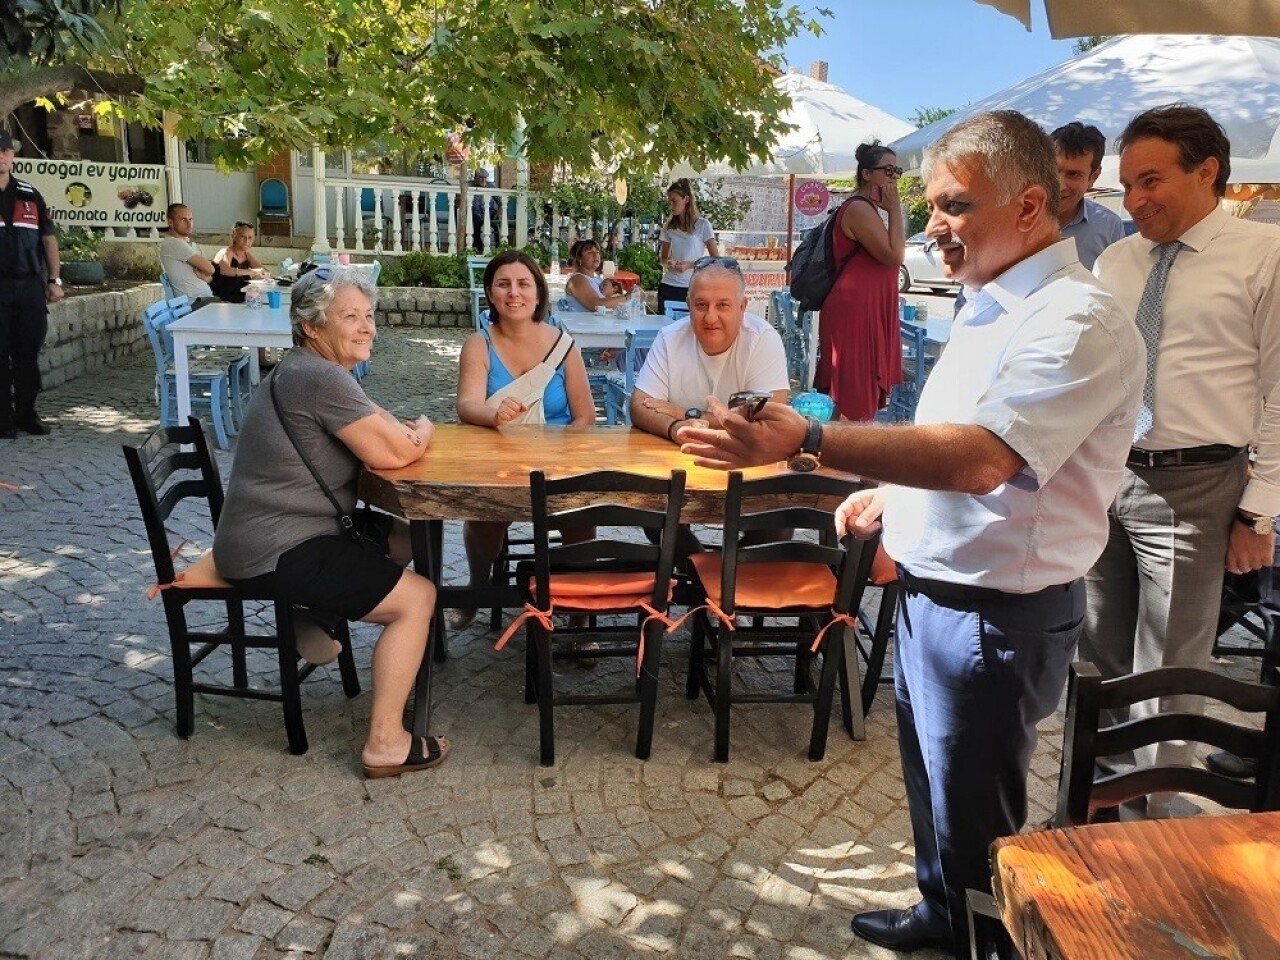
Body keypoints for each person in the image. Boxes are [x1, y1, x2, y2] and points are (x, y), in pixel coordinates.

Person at [678, 111, 1142, 959]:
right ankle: (940, 915)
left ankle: (982, 944)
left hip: (997, 616)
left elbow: (982, 459)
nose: (932, 227)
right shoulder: (988, 304)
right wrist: (892, 490)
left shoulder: (1077, 321)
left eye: (955, 206)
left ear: (1031, 206)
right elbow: (955, 438)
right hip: (937, 597)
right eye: (931, 205)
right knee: (935, 787)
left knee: (981, 814)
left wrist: (811, 439)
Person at [1080, 104, 1280, 819]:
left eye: (1151, 180)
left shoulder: (1265, 256)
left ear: (1207, 172)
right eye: (1127, 184)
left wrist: (1260, 510)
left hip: (1200, 487)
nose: (1134, 201)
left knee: (1169, 671)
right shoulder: (1115, 260)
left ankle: (1154, 826)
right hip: (1109, 474)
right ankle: (1099, 803)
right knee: (1101, 650)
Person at [211, 266, 449, 778]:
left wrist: (400, 431)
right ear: (312, 326)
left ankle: (314, 611)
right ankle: (386, 742)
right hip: (278, 545)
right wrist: (424, 430)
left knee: (407, 540)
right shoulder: (317, 377)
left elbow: (380, 419)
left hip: (272, 531)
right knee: (417, 598)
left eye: (369, 316)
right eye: (351, 317)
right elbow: (393, 451)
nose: (368, 328)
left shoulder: (312, 372)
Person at [449, 250, 596, 630]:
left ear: (538, 292)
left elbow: (585, 415)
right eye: (504, 284)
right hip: (500, 462)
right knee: (483, 520)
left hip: (559, 465)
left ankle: (580, 618)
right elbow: (467, 405)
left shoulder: (565, 346)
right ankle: (476, 591)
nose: (514, 293)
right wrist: (493, 415)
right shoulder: (478, 345)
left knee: (581, 519)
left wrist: (564, 455)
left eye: (523, 284)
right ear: (491, 294)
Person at [630, 257, 788, 443]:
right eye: (701, 305)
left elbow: (772, 421)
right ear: (689, 306)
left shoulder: (762, 339)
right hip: (679, 457)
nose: (710, 318)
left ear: (742, 307)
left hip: (747, 463)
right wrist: (674, 428)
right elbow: (639, 406)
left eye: (722, 305)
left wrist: (687, 415)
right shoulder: (669, 337)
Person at [812, 142, 906, 421]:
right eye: (887, 170)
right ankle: (847, 455)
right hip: (856, 313)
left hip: (869, 309)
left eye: (897, 171)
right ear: (866, 174)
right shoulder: (859, 209)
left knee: (856, 395)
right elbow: (894, 255)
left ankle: (841, 453)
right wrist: (896, 209)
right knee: (854, 393)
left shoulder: (869, 210)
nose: (894, 177)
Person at [0, 129, 61, 439]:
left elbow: (48, 239)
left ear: (12, 156)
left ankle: (26, 414)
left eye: (5, 150)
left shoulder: (29, 194)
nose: (1, 155)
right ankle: (2, 420)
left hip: (28, 287)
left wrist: (54, 280)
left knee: (27, 353)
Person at [1050, 121, 1126, 269]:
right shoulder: (1015, 220)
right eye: (1053, 171)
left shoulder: (1109, 226)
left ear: (1093, 177)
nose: (1059, 185)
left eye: (1073, 174)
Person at [657, 178, 719, 308]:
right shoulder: (668, 227)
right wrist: (669, 263)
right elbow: (663, 259)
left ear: (686, 199)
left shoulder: (703, 225)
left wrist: (690, 265)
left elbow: (716, 260)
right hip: (669, 284)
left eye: (674, 201)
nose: (671, 206)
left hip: (693, 286)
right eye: (669, 202)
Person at [160, 203, 215, 303]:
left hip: (205, 300)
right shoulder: (173, 243)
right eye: (183, 219)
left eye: (190, 219)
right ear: (171, 222)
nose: (189, 224)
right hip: (195, 304)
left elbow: (209, 277)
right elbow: (210, 269)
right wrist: (207, 274)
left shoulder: (187, 244)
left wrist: (205, 276)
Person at [561, 239, 630, 313]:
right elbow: (596, 305)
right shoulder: (577, 279)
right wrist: (628, 297)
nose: (596, 255)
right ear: (579, 259)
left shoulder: (597, 279)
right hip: (583, 323)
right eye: (590, 252)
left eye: (597, 252)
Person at [209, 221, 270, 303]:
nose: (247, 241)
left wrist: (260, 274)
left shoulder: (247, 255)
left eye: (250, 237)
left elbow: (262, 270)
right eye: (242, 237)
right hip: (223, 300)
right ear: (234, 236)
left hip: (241, 298)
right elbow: (225, 271)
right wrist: (251, 272)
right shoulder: (226, 252)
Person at [470, 169, 501, 253]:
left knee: (496, 224)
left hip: (490, 212)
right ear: (476, 178)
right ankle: (478, 247)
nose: (483, 180)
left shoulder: (490, 186)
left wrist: (498, 212)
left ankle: (499, 246)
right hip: (476, 213)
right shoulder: (470, 185)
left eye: (485, 178)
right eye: (481, 178)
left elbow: (500, 201)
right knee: (475, 224)